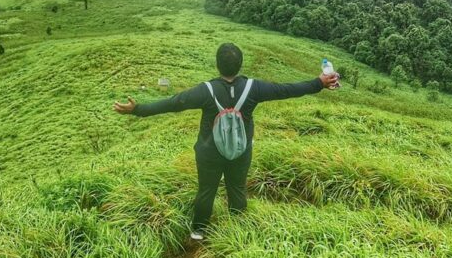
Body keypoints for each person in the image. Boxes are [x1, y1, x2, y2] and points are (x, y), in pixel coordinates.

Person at [112, 42, 339, 241]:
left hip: (209, 153)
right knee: (237, 189)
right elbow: (287, 90)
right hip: (241, 151)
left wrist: (138, 109)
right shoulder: (254, 88)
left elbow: (174, 103)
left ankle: (198, 233)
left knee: (206, 191)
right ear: (240, 64)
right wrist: (319, 82)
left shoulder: (205, 90)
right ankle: (237, 231)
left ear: (217, 64)